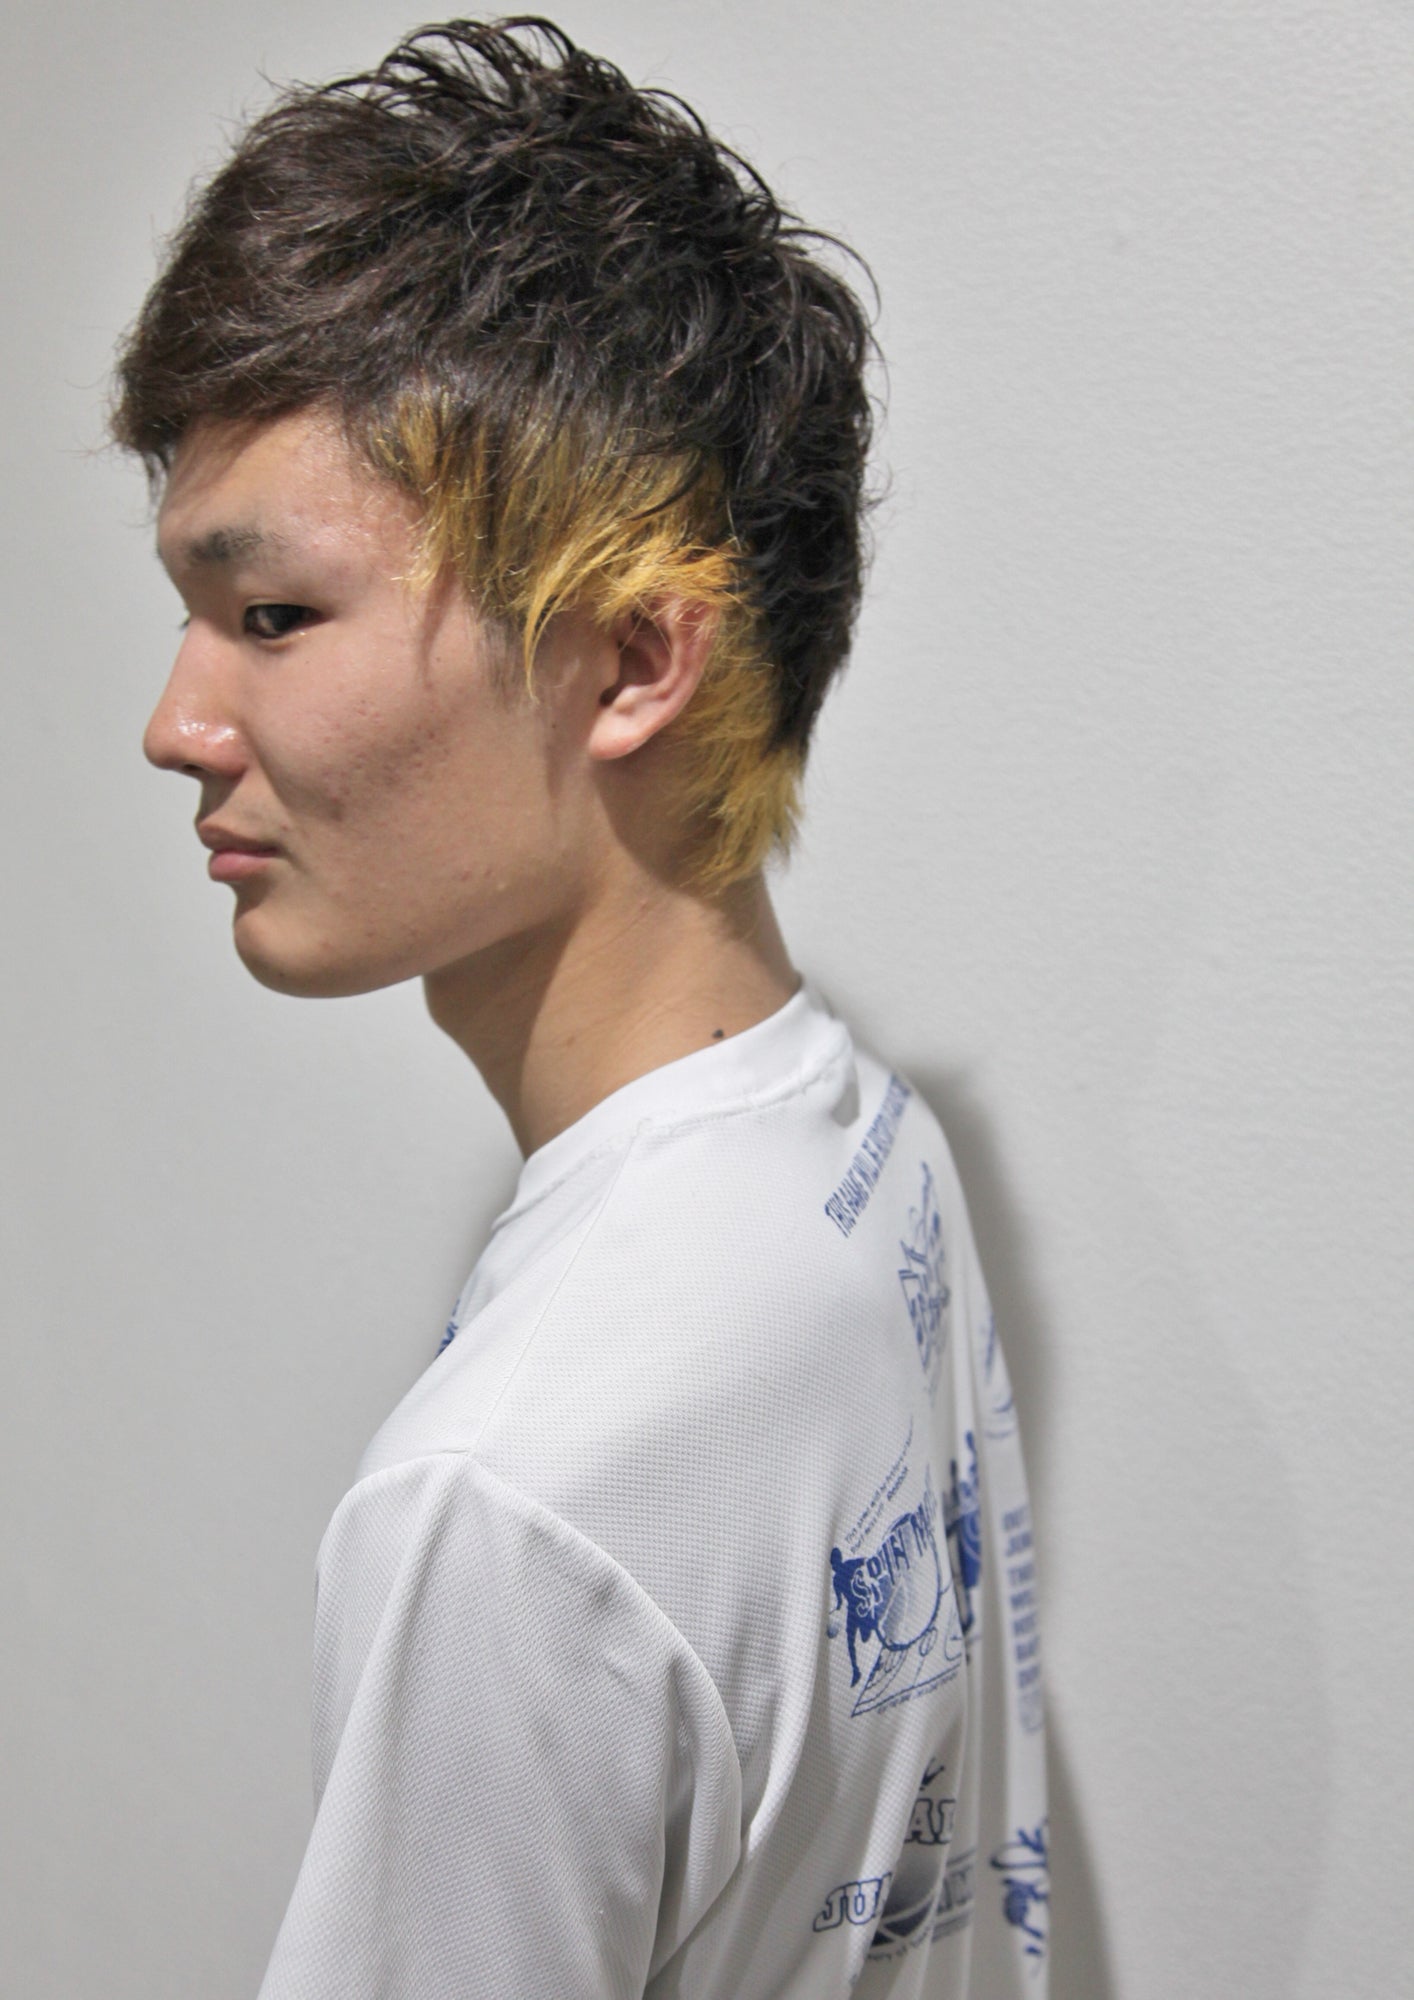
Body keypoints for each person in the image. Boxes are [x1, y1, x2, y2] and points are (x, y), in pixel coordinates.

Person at [112, 16, 1049, 1996]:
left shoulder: (508, 1506)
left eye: (273, 615)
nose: (179, 722)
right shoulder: (857, 1149)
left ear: (631, 660)